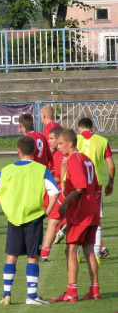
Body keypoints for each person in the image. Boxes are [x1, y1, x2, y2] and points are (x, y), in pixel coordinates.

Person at [0, 136, 59, 306]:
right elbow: (54, 191)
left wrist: (5, 205)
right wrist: (47, 211)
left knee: (11, 255)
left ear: (18, 150)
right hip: (34, 218)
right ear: (34, 150)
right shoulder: (41, 169)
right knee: (33, 256)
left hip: (14, 218)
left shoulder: (7, 169)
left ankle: (6, 295)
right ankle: (32, 295)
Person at [52, 129, 101, 302]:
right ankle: (95, 290)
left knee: (70, 250)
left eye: (60, 144)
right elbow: (96, 187)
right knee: (88, 251)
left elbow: (79, 187)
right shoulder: (87, 160)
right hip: (92, 210)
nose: (58, 147)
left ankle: (71, 291)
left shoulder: (74, 159)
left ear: (70, 144)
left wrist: (65, 203)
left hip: (80, 212)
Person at [76, 118, 115, 262]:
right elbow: (111, 165)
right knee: (96, 219)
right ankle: (97, 254)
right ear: (92, 128)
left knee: (77, 218)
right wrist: (110, 182)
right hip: (95, 185)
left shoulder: (74, 139)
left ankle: (76, 253)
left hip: (76, 184)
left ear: (79, 128)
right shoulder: (102, 141)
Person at [39, 127, 67, 261]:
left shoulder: (58, 156)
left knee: (52, 222)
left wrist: (45, 178)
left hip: (61, 191)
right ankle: (100, 247)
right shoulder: (65, 154)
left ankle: (44, 254)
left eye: (51, 139)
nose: (49, 141)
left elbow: (60, 177)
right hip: (66, 191)